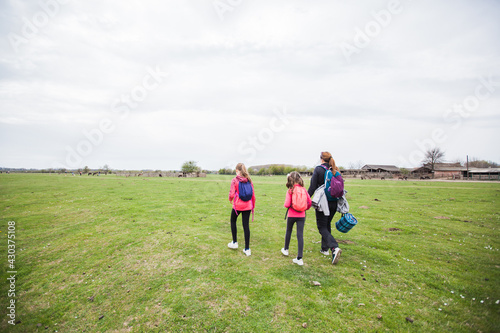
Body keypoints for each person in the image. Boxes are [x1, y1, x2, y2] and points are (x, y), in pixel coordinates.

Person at [308, 151, 342, 264]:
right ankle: (324, 249)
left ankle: (334, 247)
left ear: (321, 159)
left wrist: (306, 199)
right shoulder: (334, 170)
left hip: (323, 202)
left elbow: (312, 187)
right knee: (327, 224)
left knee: (321, 227)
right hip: (334, 201)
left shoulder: (318, 169)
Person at [281, 172, 312, 266]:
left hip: (291, 214)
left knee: (289, 231)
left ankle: (286, 249)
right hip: (301, 215)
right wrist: (303, 208)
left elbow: (286, 204)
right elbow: (309, 202)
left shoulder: (290, 190)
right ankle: (299, 257)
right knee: (300, 235)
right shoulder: (304, 190)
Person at [228, 163, 255, 256]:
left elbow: (231, 194)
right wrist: (253, 206)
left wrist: (230, 199)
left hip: (237, 206)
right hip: (248, 206)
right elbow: (253, 195)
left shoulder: (235, 180)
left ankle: (234, 242)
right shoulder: (249, 180)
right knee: (246, 226)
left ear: (237, 170)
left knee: (233, 221)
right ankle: (247, 249)